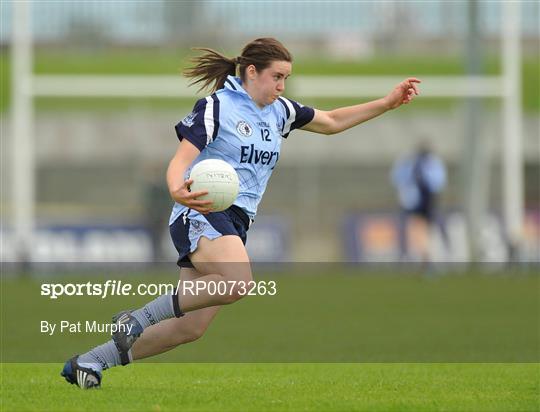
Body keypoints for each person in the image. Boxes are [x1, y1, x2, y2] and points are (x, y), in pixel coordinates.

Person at [61, 37, 421, 388]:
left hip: (235, 222)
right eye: (277, 76)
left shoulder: (281, 112)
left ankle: (91, 361)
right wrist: (176, 188)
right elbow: (181, 160)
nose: (282, 85)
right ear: (252, 72)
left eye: (286, 78)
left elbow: (331, 121)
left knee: (190, 328)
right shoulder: (218, 107)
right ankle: (135, 319)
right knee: (239, 282)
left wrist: (387, 103)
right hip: (202, 210)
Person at [390, 142, 449, 261]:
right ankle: (420, 255)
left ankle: (423, 255)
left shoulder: (425, 162)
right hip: (418, 199)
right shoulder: (427, 162)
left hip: (421, 199)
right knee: (419, 227)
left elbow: (398, 178)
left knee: (420, 227)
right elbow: (438, 182)